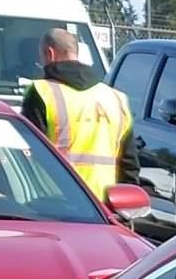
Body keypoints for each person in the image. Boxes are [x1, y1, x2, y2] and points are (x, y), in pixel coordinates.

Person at [21, 27, 131, 194]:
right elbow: (129, 164)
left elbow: (27, 154)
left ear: (50, 54)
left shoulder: (41, 92)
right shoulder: (116, 99)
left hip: (55, 201)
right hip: (106, 208)